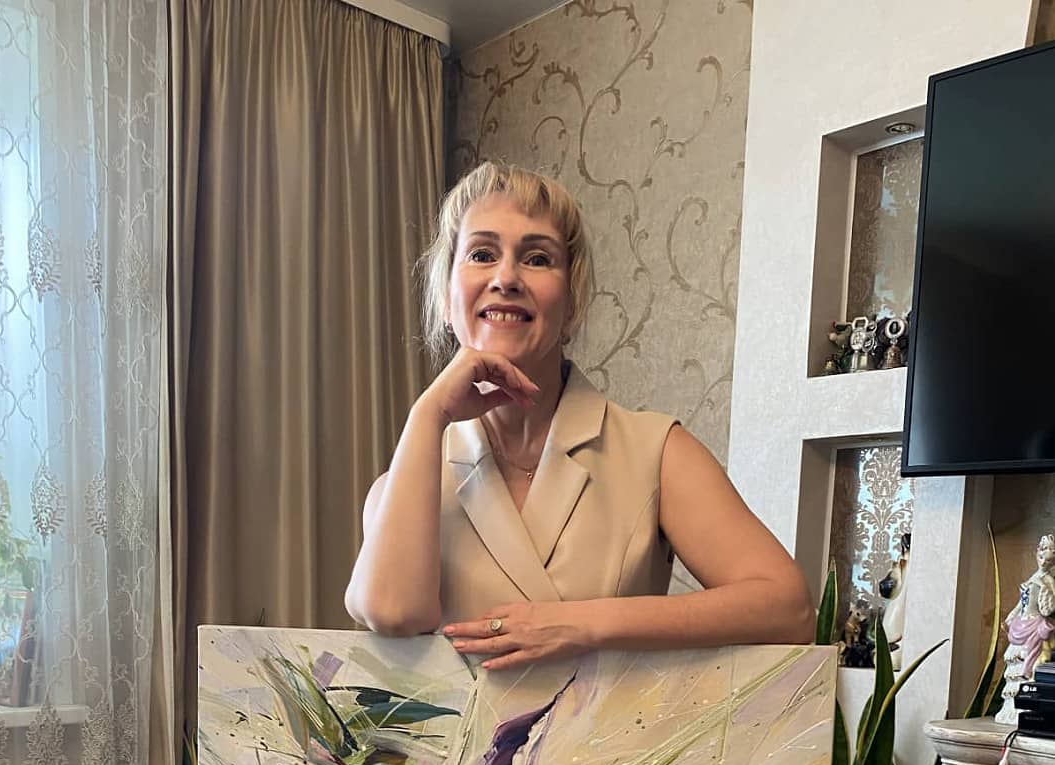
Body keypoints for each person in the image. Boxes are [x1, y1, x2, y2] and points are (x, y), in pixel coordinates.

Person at [345, 162, 814, 672]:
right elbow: (394, 613)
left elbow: (788, 610)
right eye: (482, 254)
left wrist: (581, 625)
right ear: (445, 298)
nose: (506, 278)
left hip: (624, 729)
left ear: (571, 304)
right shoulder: (405, 478)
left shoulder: (656, 452)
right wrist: (428, 412)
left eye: (537, 258)